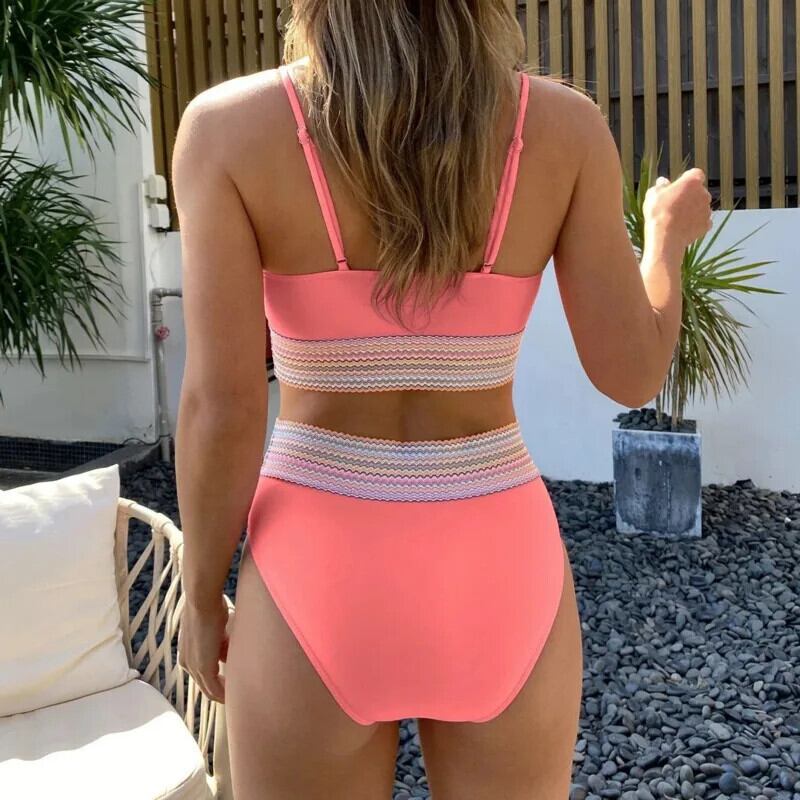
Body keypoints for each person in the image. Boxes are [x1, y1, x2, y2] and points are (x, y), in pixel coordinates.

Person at [171, 3, 713, 798]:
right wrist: (664, 238)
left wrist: (198, 599)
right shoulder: (563, 129)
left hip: (317, 564)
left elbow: (222, 408)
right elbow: (632, 373)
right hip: (496, 567)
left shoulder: (226, 130)